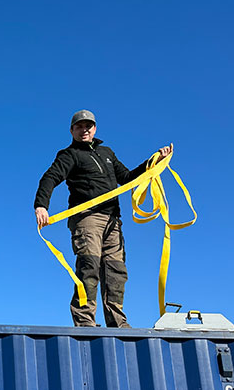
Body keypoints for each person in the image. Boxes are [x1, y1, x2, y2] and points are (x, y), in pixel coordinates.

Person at [34, 109, 172, 327]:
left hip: (113, 220)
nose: (84, 129)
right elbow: (50, 177)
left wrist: (153, 161)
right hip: (87, 218)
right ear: (72, 130)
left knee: (116, 270)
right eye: (79, 126)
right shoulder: (69, 155)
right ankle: (85, 322)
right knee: (89, 266)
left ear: (95, 128)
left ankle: (117, 323)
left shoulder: (106, 152)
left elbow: (126, 178)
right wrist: (41, 205)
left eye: (88, 126)